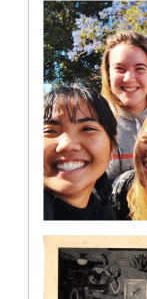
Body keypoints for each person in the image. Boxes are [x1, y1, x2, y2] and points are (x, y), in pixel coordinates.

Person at [101, 30, 147, 181]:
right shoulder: (96, 124)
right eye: (119, 68)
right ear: (108, 75)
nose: (129, 78)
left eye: (139, 68)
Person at [43, 82, 118, 220]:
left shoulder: (106, 216)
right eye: (49, 131)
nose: (67, 145)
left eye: (87, 129)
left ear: (112, 147)